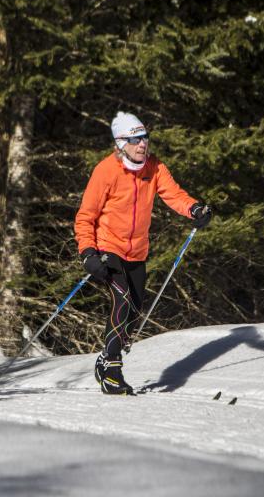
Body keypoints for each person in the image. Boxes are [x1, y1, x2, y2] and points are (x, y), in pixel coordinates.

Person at [75, 111, 213, 395]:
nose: (143, 145)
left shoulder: (154, 167)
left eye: (145, 138)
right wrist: (87, 252)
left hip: (137, 251)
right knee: (122, 298)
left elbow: (174, 195)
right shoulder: (106, 171)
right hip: (107, 248)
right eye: (136, 140)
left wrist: (195, 208)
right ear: (121, 143)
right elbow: (85, 216)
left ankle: (104, 358)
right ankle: (112, 369)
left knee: (134, 311)